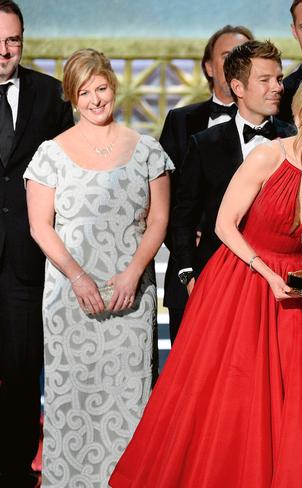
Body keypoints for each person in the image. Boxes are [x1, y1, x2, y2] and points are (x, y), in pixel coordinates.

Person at [109, 74, 302, 487]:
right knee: (234, 392)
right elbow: (224, 225)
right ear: (300, 114)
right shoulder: (267, 157)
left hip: (298, 287)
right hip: (242, 278)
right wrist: (265, 271)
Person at [24, 48, 172, 487]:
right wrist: (77, 275)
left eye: (101, 88)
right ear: (72, 96)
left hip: (131, 295)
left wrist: (132, 274)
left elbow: (159, 220)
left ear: (114, 86)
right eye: (84, 92)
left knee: (130, 400)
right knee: (74, 403)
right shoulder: (50, 153)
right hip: (71, 299)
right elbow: (39, 226)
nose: (95, 99)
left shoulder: (146, 149)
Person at [0, 2, 74, 486]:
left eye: (13, 41)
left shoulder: (48, 95)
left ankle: (15, 473)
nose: (4, 51)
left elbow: (73, 172)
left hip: (28, 262)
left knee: (23, 377)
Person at [171, 40, 295, 297]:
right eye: (265, 80)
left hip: (279, 277)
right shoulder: (205, 144)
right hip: (215, 276)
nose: (277, 88)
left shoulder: (295, 139)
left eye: (279, 79)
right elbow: (184, 217)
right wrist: (189, 275)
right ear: (238, 87)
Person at [160, 25, 252, 343]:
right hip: (193, 270)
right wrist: (186, 248)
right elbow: (162, 198)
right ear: (209, 67)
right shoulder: (180, 121)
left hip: (255, 273)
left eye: (244, 58)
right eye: (227, 57)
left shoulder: (280, 129)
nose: (235, 66)